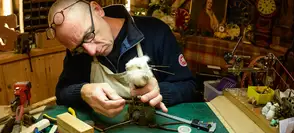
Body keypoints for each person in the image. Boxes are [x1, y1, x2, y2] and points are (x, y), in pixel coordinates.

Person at [47, 0, 196, 118]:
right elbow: (61, 93)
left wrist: (161, 92)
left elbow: (189, 87)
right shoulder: (78, 51)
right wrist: (83, 91)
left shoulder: (156, 32)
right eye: (79, 47)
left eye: (89, 35)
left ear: (97, 10)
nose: (91, 51)